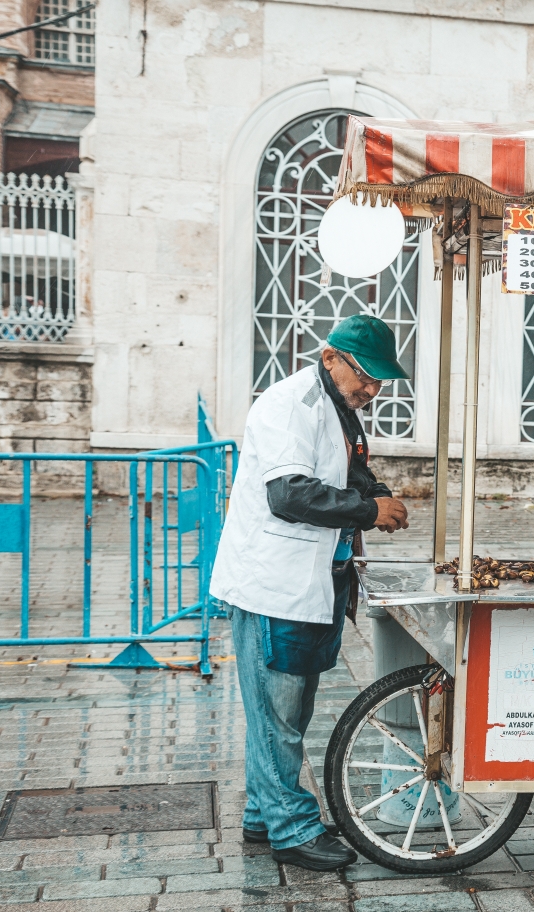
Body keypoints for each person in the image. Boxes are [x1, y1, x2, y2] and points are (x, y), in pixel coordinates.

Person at [210, 314, 411, 871]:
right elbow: (291, 494)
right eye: (365, 377)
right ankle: (292, 830)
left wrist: (377, 492)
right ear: (329, 357)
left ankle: (264, 812)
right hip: (275, 584)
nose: (371, 391)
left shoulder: (340, 410)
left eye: (379, 383)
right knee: (277, 714)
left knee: (288, 712)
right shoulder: (288, 405)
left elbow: (349, 473)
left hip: (313, 583)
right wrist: (371, 511)